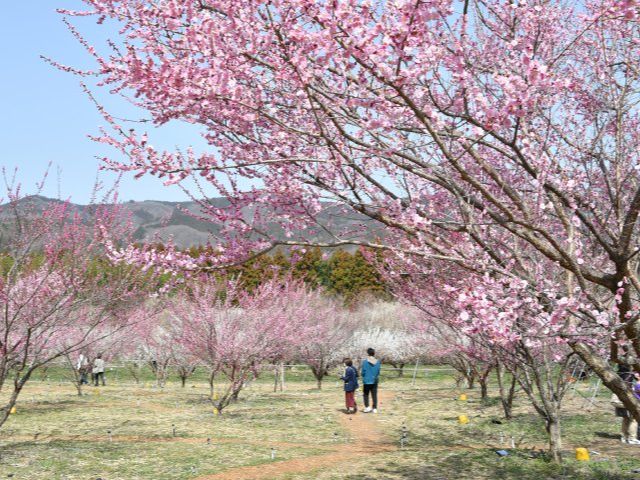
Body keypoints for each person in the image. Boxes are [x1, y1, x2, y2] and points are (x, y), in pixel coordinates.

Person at [611, 367, 640, 445]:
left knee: (626, 419)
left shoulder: (618, 379)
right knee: (633, 420)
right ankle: (632, 438)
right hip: (626, 402)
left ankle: (624, 437)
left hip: (620, 402)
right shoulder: (629, 381)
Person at [361, 347, 381, 413]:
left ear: (368, 354)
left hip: (367, 380)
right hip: (375, 380)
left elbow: (363, 372)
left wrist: (363, 376)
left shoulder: (365, 362)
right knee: (374, 394)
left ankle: (367, 407)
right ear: (374, 353)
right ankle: (374, 408)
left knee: (366, 394)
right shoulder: (377, 362)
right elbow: (378, 371)